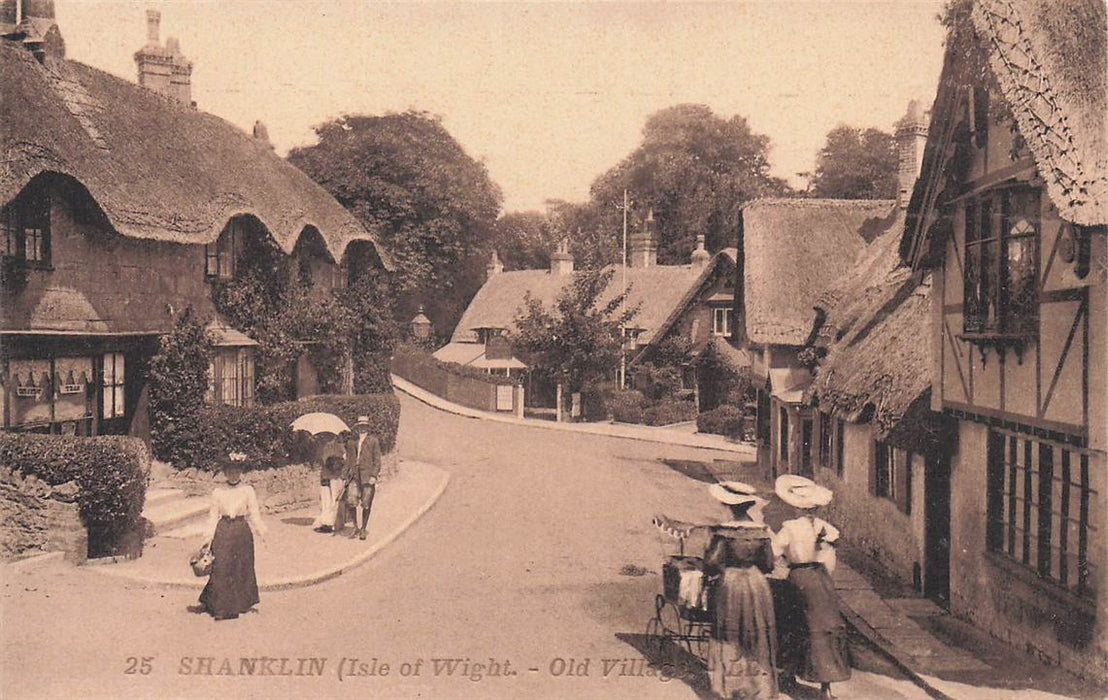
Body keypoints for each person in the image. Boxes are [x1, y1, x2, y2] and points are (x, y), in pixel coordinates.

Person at [771, 474, 851, 700]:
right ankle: (826, 687)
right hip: (822, 580)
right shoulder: (827, 528)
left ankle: (788, 672)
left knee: (792, 624)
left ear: (795, 506)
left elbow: (774, 552)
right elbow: (830, 559)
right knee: (824, 628)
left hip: (799, 578)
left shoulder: (790, 527)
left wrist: (786, 561)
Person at [703, 481, 779, 699]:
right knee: (757, 633)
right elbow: (768, 565)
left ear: (729, 506)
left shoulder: (723, 532)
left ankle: (730, 687)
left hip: (732, 583)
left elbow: (712, 563)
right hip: (757, 584)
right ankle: (759, 688)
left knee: (729, 634)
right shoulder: (761, 532)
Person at [196, 453, 267, 620]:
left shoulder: (247, 490)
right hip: (223, 531)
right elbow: (213, 516)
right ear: (225, 473)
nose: (233, 474)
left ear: (241, 472)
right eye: (229, 471)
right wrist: (207, 538)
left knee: (241, 566)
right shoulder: (218, 492)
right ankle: (222, 607)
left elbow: (254, 513)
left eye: (236, 471)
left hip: (241, 530)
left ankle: (241, 603)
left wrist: (261, 531)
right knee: (221, 566)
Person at [342, 415, 381, 541]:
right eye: (360, 426)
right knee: (351, 501)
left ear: (368, 428)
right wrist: (344, 474)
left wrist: (374, 476)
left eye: (364, 426)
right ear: (357, 427)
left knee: (366, 503)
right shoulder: (352, 442)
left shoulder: (373, 441)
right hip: (354, 475)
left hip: (367, 476)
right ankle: (355, 526)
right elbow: (348, 460)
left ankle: (363, 528)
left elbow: (377, 461)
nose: (362, 428)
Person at [312, 437, 346, 533]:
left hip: (335, 476)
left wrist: (335, 463)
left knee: (334, 499)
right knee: (325, 499)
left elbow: (344, 460)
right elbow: (318, 461)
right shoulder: (322, 447)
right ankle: (326, 522)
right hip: (326, 475)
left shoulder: (339, 446)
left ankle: (334, 524)